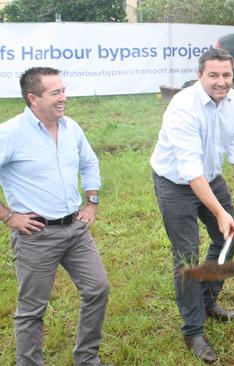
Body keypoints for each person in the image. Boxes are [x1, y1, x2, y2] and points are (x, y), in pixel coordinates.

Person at [150, 48, 234, 364]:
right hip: (175, 183)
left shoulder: (233, 101)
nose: (221, 82)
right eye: (213, 75)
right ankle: (193, 330)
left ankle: (207, 300)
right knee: (186, 256)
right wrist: (220, 212)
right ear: (200, 75)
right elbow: (189, 169)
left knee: (229, 238)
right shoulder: (183, 107)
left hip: (209, 179)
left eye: (226, 75)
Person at [0, 67, 111, 365]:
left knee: (98, 288)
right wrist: (9, 217)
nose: (63, 98)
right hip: (35, 236)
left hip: (74, 228)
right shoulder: (10, 133)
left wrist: (92, 202)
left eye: (63, 90)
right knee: (32, 310)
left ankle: (86, 358)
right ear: (33, 98)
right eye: (55, 93)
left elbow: (88, 163)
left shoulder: (71, 127)